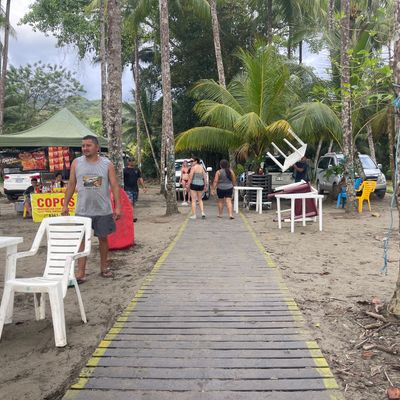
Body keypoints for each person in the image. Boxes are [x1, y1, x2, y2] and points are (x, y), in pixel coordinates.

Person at [61, 135, 121, 282]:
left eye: (88, 145)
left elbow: (114, 186)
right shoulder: (76, 163)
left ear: (97, 147)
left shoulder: (107, 164)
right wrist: (65, 204)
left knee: (103, 239)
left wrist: (117, 207)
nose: (85, 148)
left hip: (103, 210)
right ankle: (81, 273)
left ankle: (104, 268)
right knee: (82, 241)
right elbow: (71, 184)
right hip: (82, 211)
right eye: (83, 146)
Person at [123, 158, 147, 222]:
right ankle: (131, 217)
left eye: (133, 161)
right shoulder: (125, 170)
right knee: (129, 203)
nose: (132, 162)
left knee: (133, 203)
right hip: (127, 189)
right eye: (130, 161)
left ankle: (130, 216)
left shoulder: (137, 170)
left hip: (135, 189)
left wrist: (144, 187)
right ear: (128, 162)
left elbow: (140, 178)